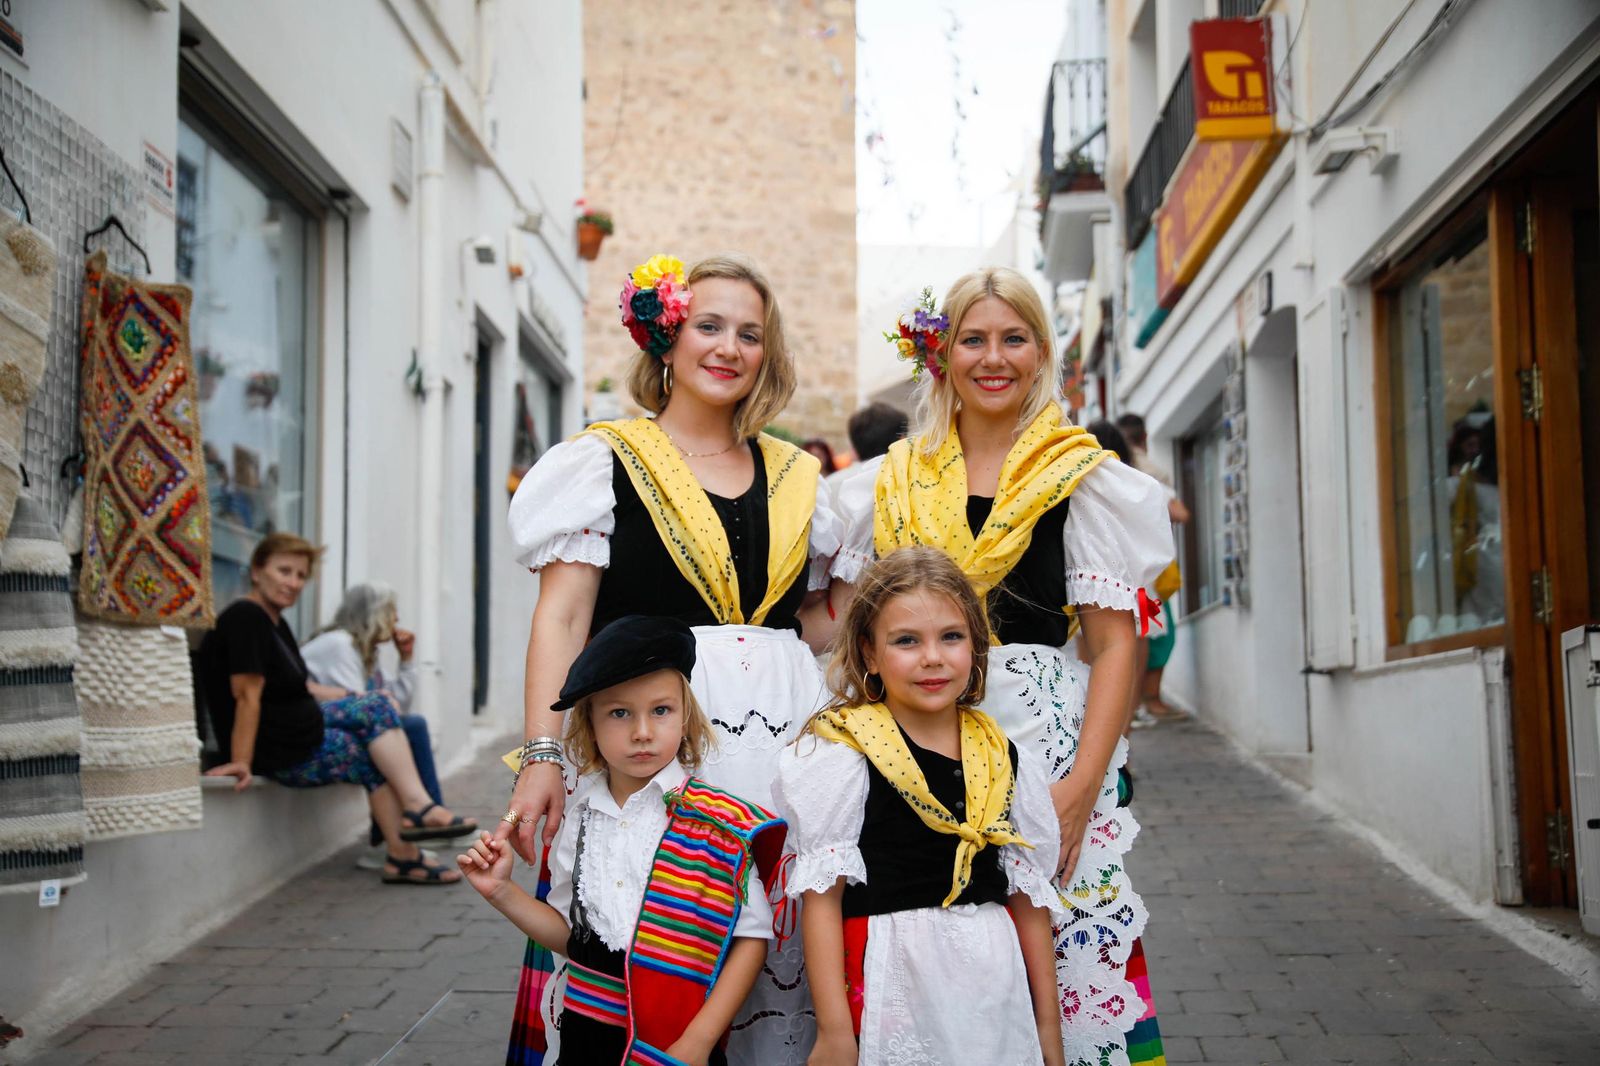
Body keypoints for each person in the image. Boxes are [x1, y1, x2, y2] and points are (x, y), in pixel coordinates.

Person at [501, 253, 845, 1064]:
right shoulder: (604, 461)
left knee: (769, 945)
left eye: (750, 333)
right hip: (649, 741)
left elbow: (817, 625)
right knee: (647, 953)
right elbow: (564, 612)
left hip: (781, 748)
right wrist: (542, 753)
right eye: (709, 325)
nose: (729, 347)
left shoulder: (801, 478)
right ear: (666, 337)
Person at [835, 268, 1174, 1066]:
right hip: (912, 750)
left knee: (1061, 956)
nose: (994, 358)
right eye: (973, 339)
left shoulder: (1080, 476)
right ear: (942, 355)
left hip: (1042, 747)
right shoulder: (887, 482)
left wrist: (1083, 787)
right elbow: (849, 626)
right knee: (932, 951)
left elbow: (1115, 642)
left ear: (1041, 352)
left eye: (1013, 338)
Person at [776, 548, 1066, 1066]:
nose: (932, 657)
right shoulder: (844, 753)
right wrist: (834, 1030)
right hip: (891, 973)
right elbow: (821, 899)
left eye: (951, 637)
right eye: (906, 641)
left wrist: (1048, 1028)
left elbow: (1028, 901)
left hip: (990, 981)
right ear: (869, 653)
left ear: (976, 646)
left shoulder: (1002, 757)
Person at [459, 615, 785, 1066]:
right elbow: (572, 937)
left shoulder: (715, 824)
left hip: (677, 1040)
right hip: (586, 1036)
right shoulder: (581, 822)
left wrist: (700, 1040)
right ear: (589, 724)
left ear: (685, 714)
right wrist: (501, 892)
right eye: (619, 713)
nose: (642, 732)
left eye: (661, 710)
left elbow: (751, 939)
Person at [199, 533, 476, 885]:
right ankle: (419, 806)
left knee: (367, 750)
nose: (293, 583)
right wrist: (241, 760)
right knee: (375, 706)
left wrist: (346, 695)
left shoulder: (275, 623)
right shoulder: (245, 618)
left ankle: (402, 856)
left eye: (300, 576)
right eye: (284, 571)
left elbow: (301, 687)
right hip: (278, 744)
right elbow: (246, 695)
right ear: (256, 571)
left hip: (298, 729)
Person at [303, 583, 468, 866]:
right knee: (411, 726)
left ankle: (414, 824)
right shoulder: (339, 644)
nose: (396, 620)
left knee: (410, 725)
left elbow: (393, 706)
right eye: (391, 611)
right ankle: (418, 822)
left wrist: (406, 660)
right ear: (373, 613)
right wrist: (385, 700)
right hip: (315, 724)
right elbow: (365, 709)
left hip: (340, 721)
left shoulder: (363, 649)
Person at [1115, 413, 1188, 724]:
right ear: (1143, 438)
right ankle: (1147, 701)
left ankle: (1129, 711)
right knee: (1150, 635)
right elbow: (1180, 514)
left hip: (1116, 578)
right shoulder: (1147, 476)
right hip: (1145, 579)